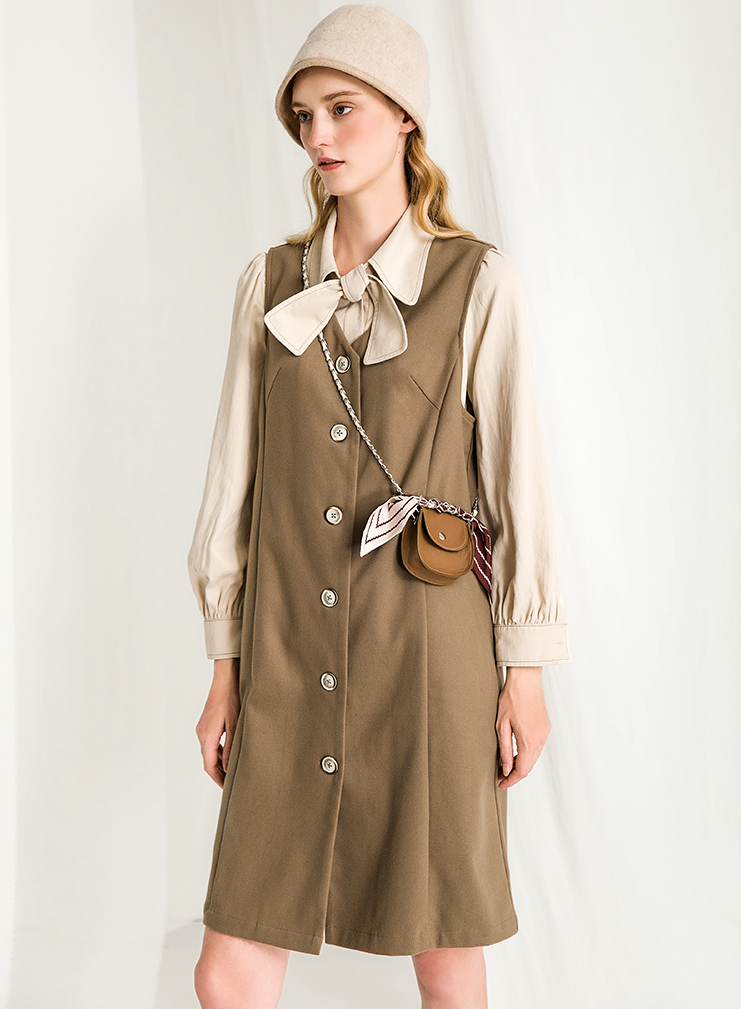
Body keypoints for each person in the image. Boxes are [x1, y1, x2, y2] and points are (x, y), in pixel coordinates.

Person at [187, 5, 571, 1007]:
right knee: (226, 972)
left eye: (342, 109)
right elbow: (232, 486)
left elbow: (520, 485)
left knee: (444, 960)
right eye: (303, 116)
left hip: (428, 661)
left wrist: (525, 673)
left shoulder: (479, 282)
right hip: (281, 660)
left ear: (404, 115)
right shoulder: (268, 286)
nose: (318, 136)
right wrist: (226, 670)